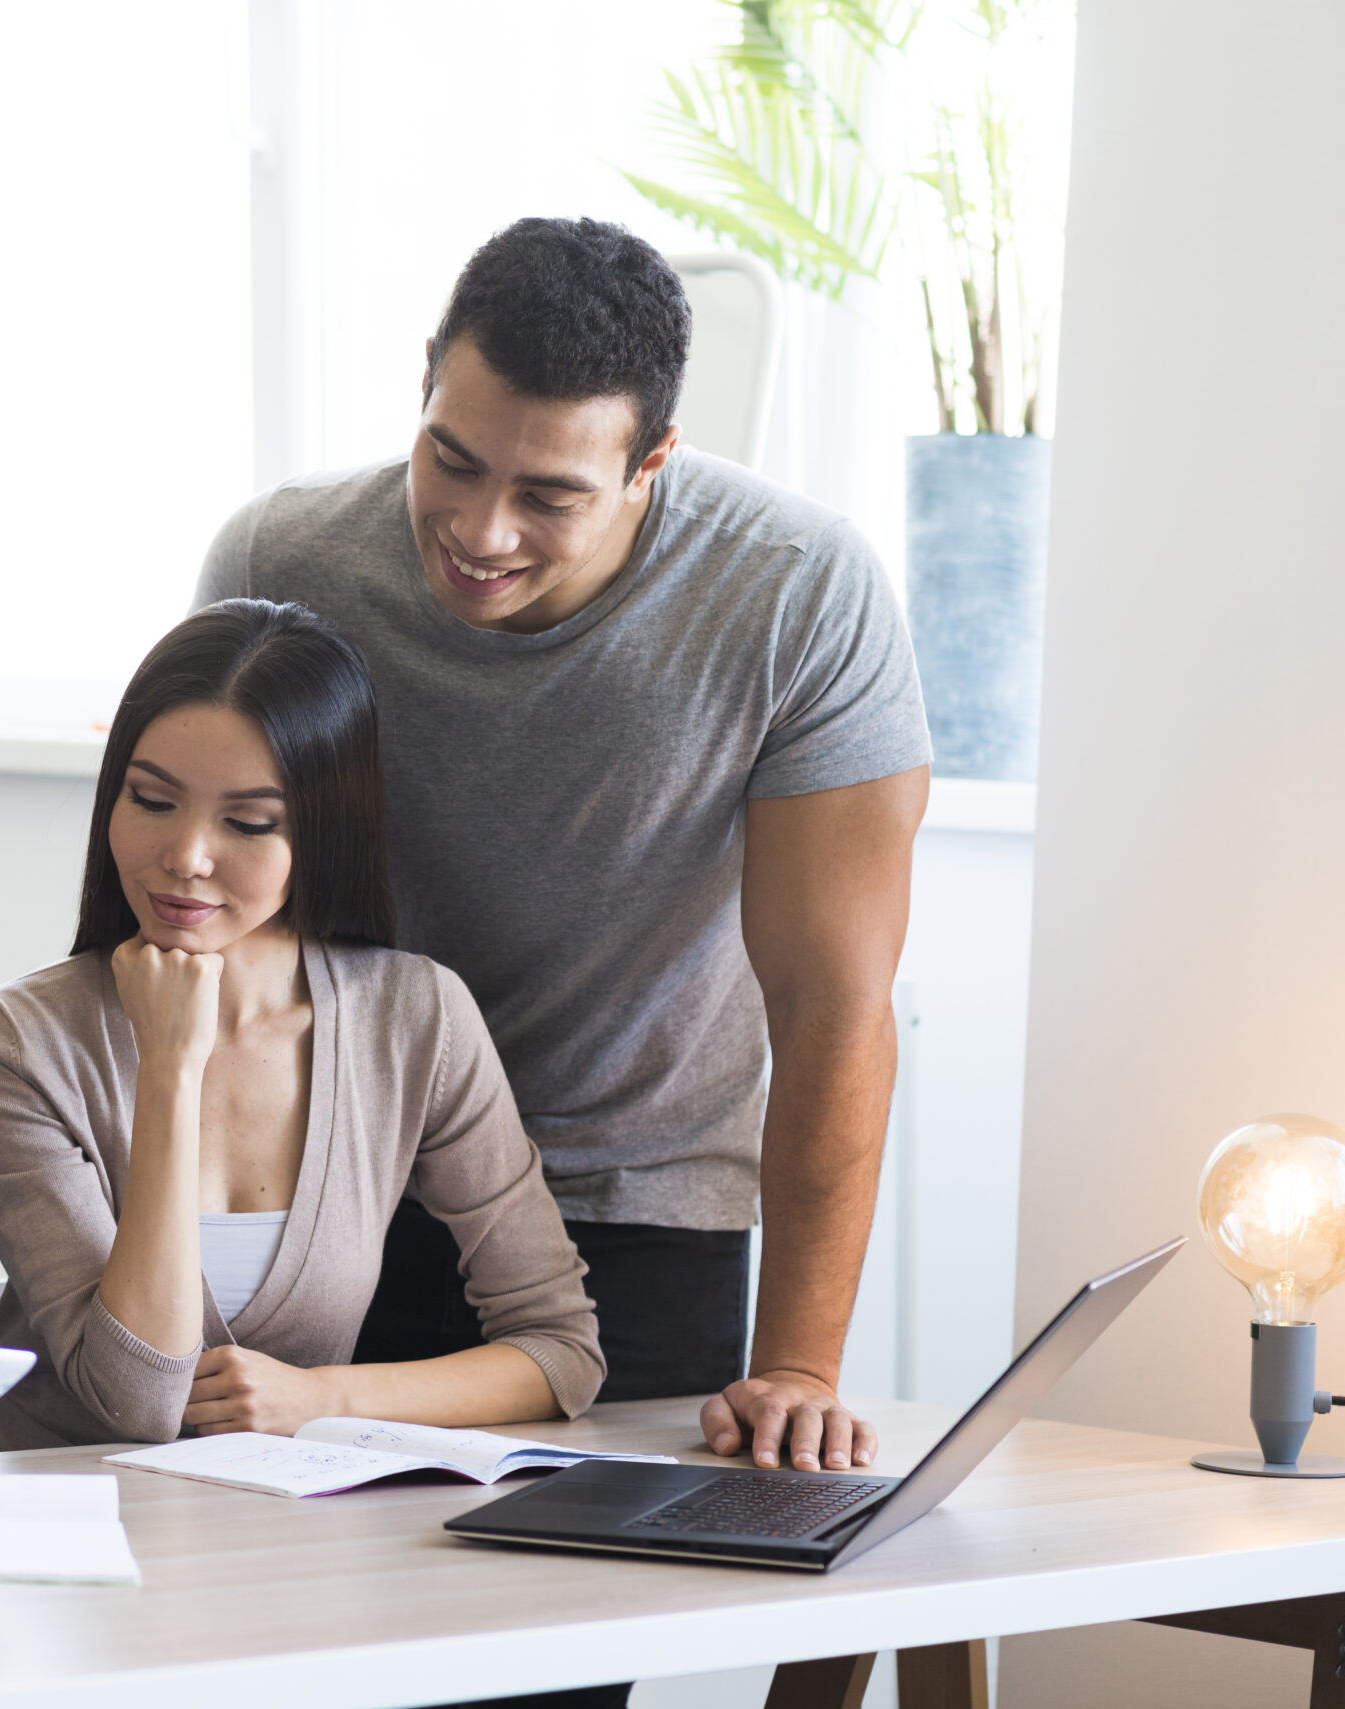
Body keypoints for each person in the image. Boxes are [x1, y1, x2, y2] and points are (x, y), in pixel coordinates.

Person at [196, 217, 931, 1476]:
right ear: (425, 377)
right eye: (453, 459)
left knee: (564, 1643)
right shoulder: (282, 558)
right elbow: (213, 901)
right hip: (342, 1188)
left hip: (635, 1210)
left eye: (548, 495)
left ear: (653, 462)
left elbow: (832, 1003)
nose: (481, 531)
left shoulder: (798, 596)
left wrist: (799, 1365)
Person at [0, 600, 603, 1453]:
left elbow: (561, 1354)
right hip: (67, 1528)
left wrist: (323, 1397)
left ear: (321, 832)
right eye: (151, 800)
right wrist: (169, 1069)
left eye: (248, 822)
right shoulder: (11, 1043)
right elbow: (138, 1400)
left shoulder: (415, 1019)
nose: (185, 854)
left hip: (279, 1546)